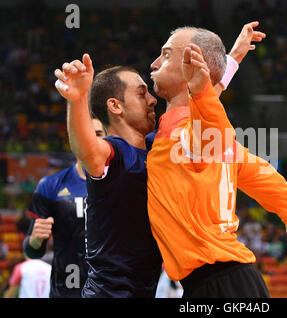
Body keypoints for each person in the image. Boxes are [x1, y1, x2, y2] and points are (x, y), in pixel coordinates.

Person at [53, 22, 266, 297]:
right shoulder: (115, 153)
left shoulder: (158, 147)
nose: (152, 100)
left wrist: (233, 58)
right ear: (115, 106)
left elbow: (204, 100)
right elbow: (86, 149)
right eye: (141, 94)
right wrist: (78, 99)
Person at [146, 25, 287, 297]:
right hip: (230, 280)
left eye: (166, 55)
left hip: (218, 284)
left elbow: (210, 117)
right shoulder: (221, 144)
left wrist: (201, 88)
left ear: (191, 65)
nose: (154, 64)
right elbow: (265, 176)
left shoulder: (189, 134)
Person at [22, 118, 106, 298]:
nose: (90, 140)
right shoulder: (50, 185)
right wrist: (35, 240)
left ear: (108, 139)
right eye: (84, 134)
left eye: (98, 134)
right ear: (73, 140)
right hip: (67, 289)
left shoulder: (123, 183)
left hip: (111, 288)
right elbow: (32, 250)